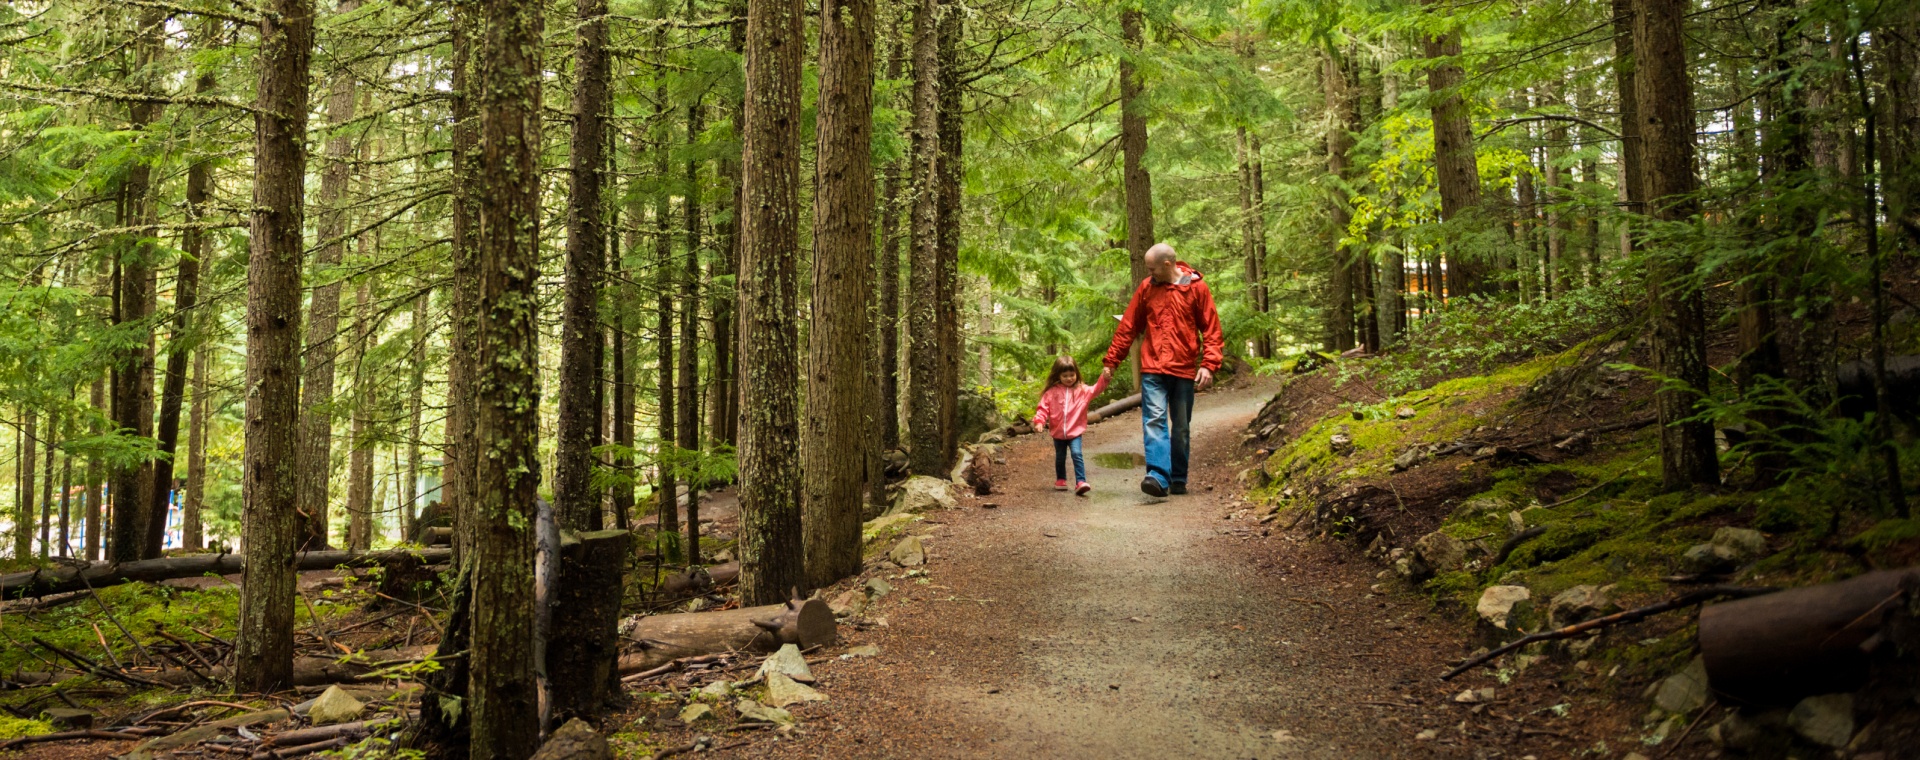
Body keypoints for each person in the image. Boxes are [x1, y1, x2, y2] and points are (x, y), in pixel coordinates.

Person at [1099, 242, 1225, 497]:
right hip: (1153, 367)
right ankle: (1157, 475)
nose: (1149, 272)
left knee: (1180, 427)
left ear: (1167, 265)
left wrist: (1209, 365)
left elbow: (1211, 329)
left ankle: (1178, 477)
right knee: (1154, 420)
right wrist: (1112, 361)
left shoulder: (1197, 289)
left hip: (1183, 369)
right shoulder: (1147, 288)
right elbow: (1128, 327)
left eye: (1152, 268)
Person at [1031, 356, 1109, 495]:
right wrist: (1039, 421)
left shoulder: (1082, 390)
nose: (1069, 378)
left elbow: (1097, 389)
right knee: (1060, 457)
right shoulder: (1052, 392)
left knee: (1077, 454)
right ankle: (1061, 479)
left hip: (1075, 432)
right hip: (1058, 433)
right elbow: (1043, 408)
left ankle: (1081, 481)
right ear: (1058, 375)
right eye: (1065, 375)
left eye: (1072, 375)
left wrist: (1104, 378)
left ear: (1076, 374)